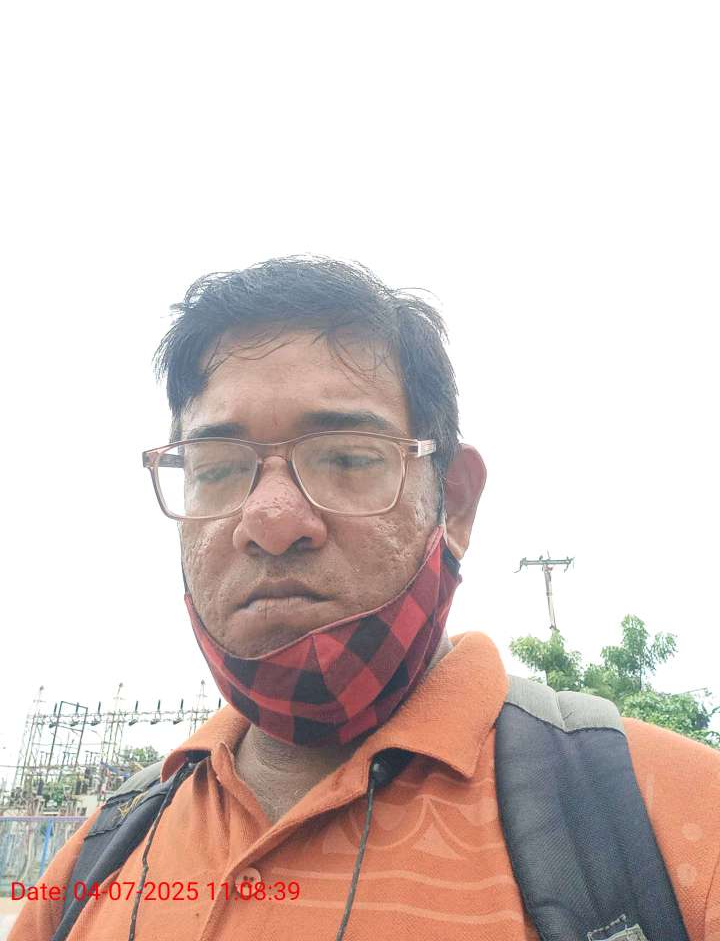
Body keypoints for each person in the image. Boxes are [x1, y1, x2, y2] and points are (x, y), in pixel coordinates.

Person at [10, 257, 720, 941]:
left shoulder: (682, 824)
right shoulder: (94, 860)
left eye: (347, 458)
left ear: (455, 502)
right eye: (218, 468)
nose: (271, 521)